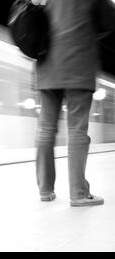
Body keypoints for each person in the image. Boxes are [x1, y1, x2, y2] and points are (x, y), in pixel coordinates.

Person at [34, 0, 115, 207]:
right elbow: (108, 22)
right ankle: (78, 193)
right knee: (77, 129)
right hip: (78, 64)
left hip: (47, 67)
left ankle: (45, 190)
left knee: (45, 129)